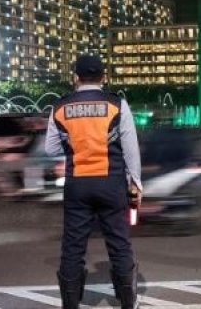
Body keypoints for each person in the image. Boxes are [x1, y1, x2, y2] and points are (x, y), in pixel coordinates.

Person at [45, 55, 142, 309]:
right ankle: (128, 302)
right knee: (119, 242)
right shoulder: (117, 105)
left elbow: (50, 149)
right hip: (111, 183)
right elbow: (131, 149)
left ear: (75, 77)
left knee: (73, 246)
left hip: (77, 184)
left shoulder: (60, 107)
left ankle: (70, 303)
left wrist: (75, 144)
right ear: (104, 77)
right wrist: (136, 184)